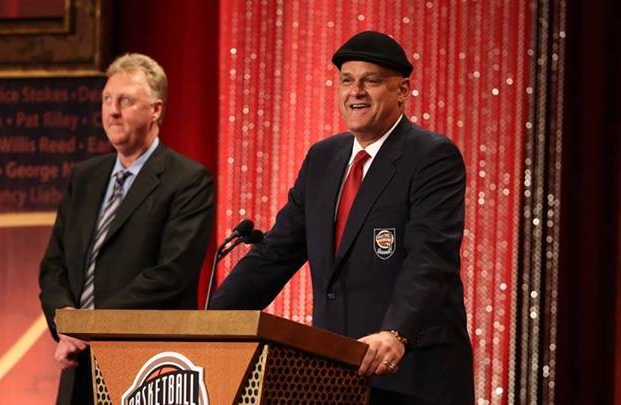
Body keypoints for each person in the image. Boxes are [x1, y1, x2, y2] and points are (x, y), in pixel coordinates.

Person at [211, 31, 474, 404]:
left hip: (411, 373)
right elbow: (276, 252)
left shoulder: (431, 156)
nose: (356, 92)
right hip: (336, 375)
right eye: (347, 80)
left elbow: (429, 257)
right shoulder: (323, 158)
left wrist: (396, 333)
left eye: (371, 81)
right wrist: (207, 324)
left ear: (402, 90)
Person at [39, 53, 214, 405]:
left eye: (126, 101)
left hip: (148, 368)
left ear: (156, 110)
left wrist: (91, 325)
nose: (113, 111)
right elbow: (54, 266)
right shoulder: (84, 177)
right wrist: (67, 324)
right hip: (78, 361)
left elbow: (171, 274)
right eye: (107, 99)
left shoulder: (188, 181)